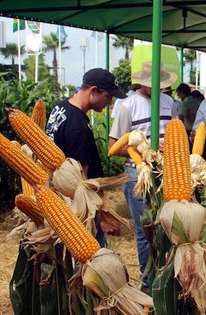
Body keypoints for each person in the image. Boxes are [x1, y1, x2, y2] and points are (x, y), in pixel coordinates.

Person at [108, 61, 177, 291]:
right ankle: (149, 283)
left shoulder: (170, 103)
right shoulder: (128, 105)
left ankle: (168, 277)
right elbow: (114, 146)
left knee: (168, 227)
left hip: (166, 172)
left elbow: (177, 135)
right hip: (137, 173)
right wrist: (144, 150)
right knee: (145, 229)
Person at [46, 67, 127, 244]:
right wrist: (100, 218)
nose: (110, 102)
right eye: (108, 96)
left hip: (59, 202)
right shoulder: (78, 127)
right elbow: (81, 183)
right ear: (93, 91)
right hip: (79, 210)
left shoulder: (61, 108)